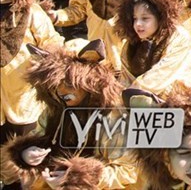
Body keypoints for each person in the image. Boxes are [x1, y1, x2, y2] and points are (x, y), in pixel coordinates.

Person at [1, 39, 137, 189]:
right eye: (56, 84)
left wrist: (76, 177)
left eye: (69, 83)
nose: (61, 91)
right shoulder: (55, 110)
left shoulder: (114, 118)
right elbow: (40, 136)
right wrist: (26, 154)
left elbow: (127, 171)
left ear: (90, 83)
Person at [0, 0, 64, 154]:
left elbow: (52, 41)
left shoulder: (31, 11)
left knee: (25, 149)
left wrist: (43, 63)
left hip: (24, 92)